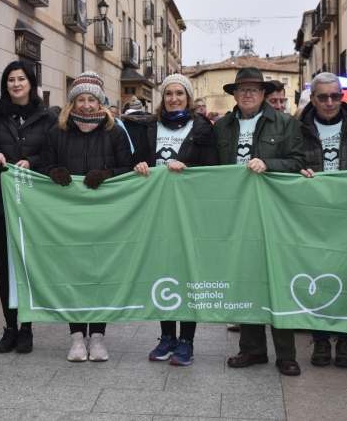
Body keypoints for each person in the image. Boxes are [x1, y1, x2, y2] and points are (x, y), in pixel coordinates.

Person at [215, 66, 306, 377]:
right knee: (245, 279)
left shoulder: (284, 122)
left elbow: (299, 161)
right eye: (242, 89)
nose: (248, 94)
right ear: (235, 95)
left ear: (265, 94)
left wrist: (269, 163)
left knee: (276, 279)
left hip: (273, 213)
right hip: (236, 214)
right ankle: (251, 349)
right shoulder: (222, 126)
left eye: (254, 89)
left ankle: (286, 355)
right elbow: (212, 168)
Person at [36, 71, 133, 362]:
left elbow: (128, 167)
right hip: (69, 217)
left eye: (93, 99)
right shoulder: (57, 132)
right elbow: (42, 166)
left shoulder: (115, 132)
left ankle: (99, 337)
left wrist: (107, 174)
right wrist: (53, 171)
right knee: (74, 274)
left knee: (99, 274)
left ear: (101, 102)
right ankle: (77, 337)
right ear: (72, 103)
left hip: (104, 217)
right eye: (82, 99)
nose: (87, 105)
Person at [133, 74, 219, 366]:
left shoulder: (204, 128)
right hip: (156, 212)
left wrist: (190, 167)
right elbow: (136, 159)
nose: (173, 98)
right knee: (163, 274)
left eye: (179, 93)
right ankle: (167, 336)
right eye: (168, 93)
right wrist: (139, 165)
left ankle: (187, 340)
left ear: (189, 97)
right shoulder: (147, 128)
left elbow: (213, 169)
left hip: (190, 213)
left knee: (187, 275)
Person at [298, 72, 347, 368]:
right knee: (317, 274)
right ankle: (319, 338)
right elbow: (290, 163)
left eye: (335, 96)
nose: (330, 102)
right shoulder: (298, 130)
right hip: (312, 215)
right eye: (323, 97)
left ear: (342, 98)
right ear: (313, 99)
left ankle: (345, 340)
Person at [0, 61, 58, 354]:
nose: (16, 84)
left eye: (21, 79)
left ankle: (27, 328)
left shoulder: (47, 116)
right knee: (5, 268)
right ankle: (10, 326)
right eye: (11, 79)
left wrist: (34, 163)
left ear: (31, 84)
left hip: (33, 202)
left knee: (27, 265)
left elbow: (53, 153)